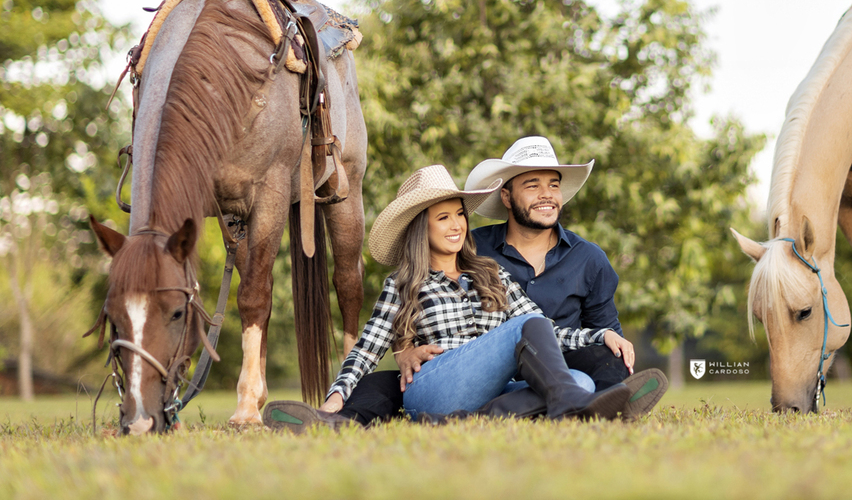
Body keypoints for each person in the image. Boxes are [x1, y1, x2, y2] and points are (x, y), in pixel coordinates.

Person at [263, 164, 631, 431]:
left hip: (489, 389)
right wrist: (335, 399)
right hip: (436, 384)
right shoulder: (404, 283)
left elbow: (545, 332)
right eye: (443, 218)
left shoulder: (491, 274)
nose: (457, 225)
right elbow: (365, 350)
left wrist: (600, 336)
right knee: (534, 339)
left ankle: (464, 423)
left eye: (459, 215)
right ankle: (567, 406)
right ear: (421, 226)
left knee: (580, 381)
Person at [394, 136, 668, 422]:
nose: (546, 194)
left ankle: (597, 402)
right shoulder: (471, 249)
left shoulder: (589, 258)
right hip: (480, 370)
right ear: (506, 196)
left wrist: (610, 341)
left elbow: (604, 331)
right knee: (526, 329)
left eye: (553, 185)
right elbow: (412, 292)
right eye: (532, 185)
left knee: (605, 360)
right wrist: (403, 351)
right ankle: (579, 407)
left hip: (556, 365)